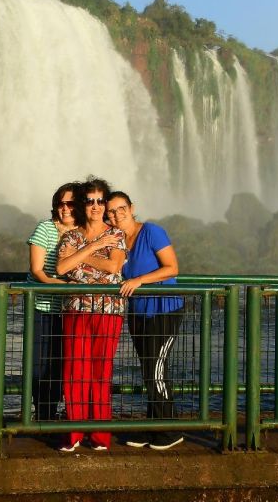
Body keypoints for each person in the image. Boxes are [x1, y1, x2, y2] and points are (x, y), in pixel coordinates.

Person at [107, 191, 183, 451]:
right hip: (138, 312)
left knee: (156, 370)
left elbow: (172, 268)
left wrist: (139, 280)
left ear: (132, 208)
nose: (116, 214)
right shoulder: (117, 240)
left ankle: (169, 430)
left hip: (164, 310)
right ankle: (154, 427)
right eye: (111, 211)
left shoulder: (152, 231)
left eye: (121, 208)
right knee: (148, 369)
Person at [55, 177, 126, 452]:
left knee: (101, 371)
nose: (95, 206)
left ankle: (99, 436)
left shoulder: (116, 234)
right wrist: (94, 247)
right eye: (90, 200)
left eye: (100, 201)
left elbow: (112, 268)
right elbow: (61, 269)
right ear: (83, 205)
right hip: (76, 309)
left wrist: (80, 257)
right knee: (74, 370)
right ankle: (72, 434)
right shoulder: (71, 235)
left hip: (108, 311)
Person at [25, 181, 81, 422]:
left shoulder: (84, 232)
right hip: (42, 307)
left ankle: (58, 415)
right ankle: (43, 416)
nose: (65, 208)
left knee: (63, 366)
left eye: (70, 203)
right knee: (40, 365)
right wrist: (65, 287)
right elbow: (38, 272)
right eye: (60, 204)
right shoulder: (45, 229)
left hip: (70, 310)